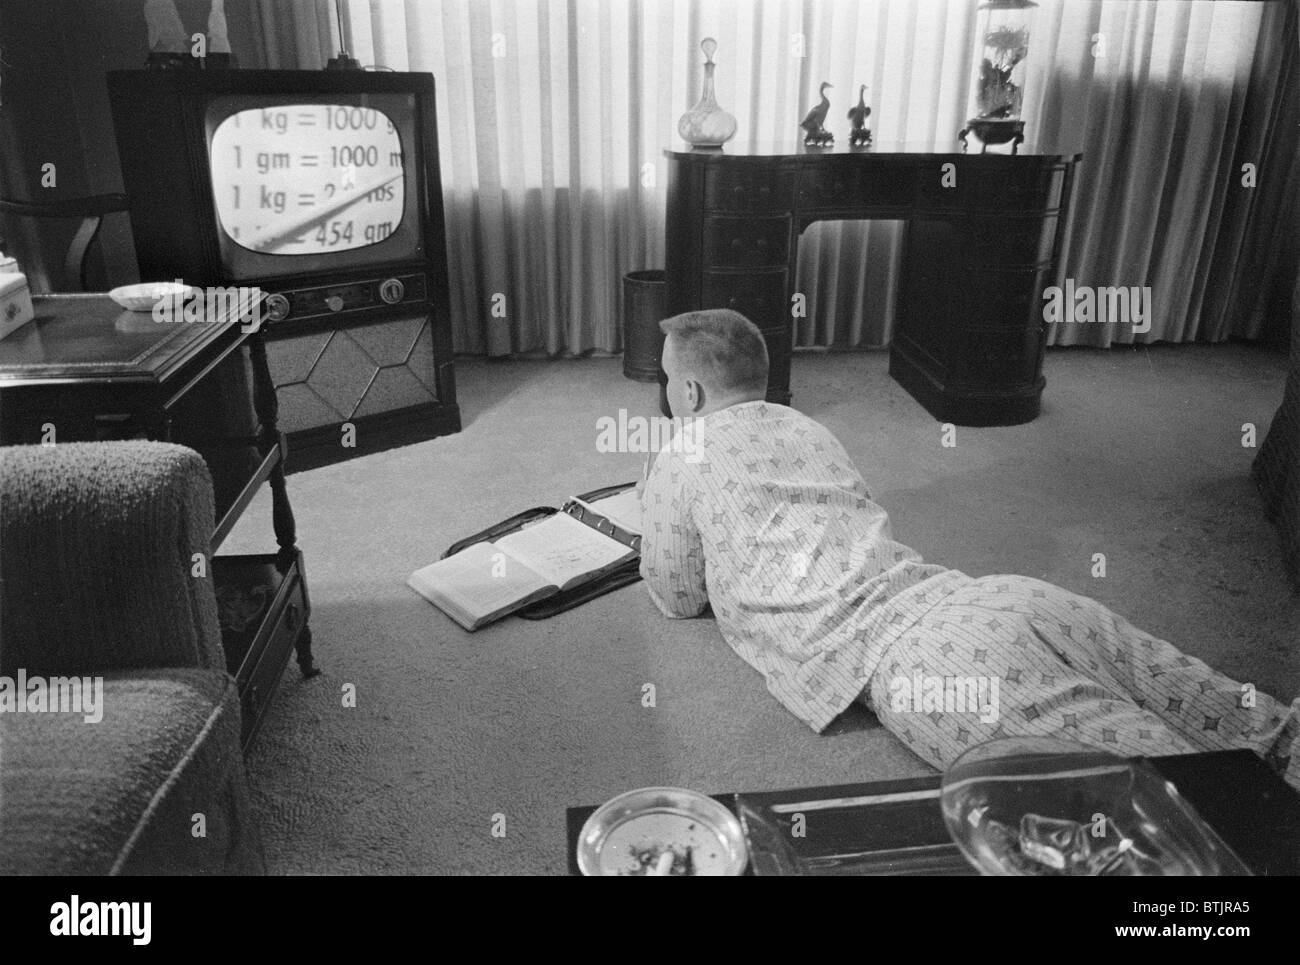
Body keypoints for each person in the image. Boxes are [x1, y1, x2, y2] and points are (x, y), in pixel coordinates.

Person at [638, 308, 1300, 790]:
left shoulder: (680, 452)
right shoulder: (808, 427)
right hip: (996, 595)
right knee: (1240, 715)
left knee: (1187, 805)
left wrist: (655, 498)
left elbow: (678, 592)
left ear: (688, 393)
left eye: (667, 380)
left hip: (922, 660)